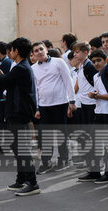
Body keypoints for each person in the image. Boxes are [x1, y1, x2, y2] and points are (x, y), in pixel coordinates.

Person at [0, 37, 39, 197]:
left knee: (21, 148)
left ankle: (32, 183)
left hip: (19, 112)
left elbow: (3, 81)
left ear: (16, 51)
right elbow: (8, 83)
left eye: (10, 49)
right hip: (15, 111)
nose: (9, 52)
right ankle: (21, 179)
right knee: (16, 147)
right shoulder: (19, 67)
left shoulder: (22, 68)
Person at [31, 40, 76, 173]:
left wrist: (72, 101)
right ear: (33, 54)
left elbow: (68, 81)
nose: (39, 52)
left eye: (41, 49)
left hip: (60, 103)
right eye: (36, 51)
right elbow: (36, 89)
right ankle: (46, 162)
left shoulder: (59, 62)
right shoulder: (33, 68)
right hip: (44, 106)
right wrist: (37, 108)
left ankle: (64, 160)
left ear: (45, 49)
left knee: (61, 133)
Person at [78, 50, 108, 184]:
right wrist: (94, 94)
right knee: (93, 141)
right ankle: (94, 171)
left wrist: (97, 96)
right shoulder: (96, 76)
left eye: (99, 60)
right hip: (98, 111)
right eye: (93, 61)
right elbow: (98, 92)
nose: (96, 64)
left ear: (106, 60)